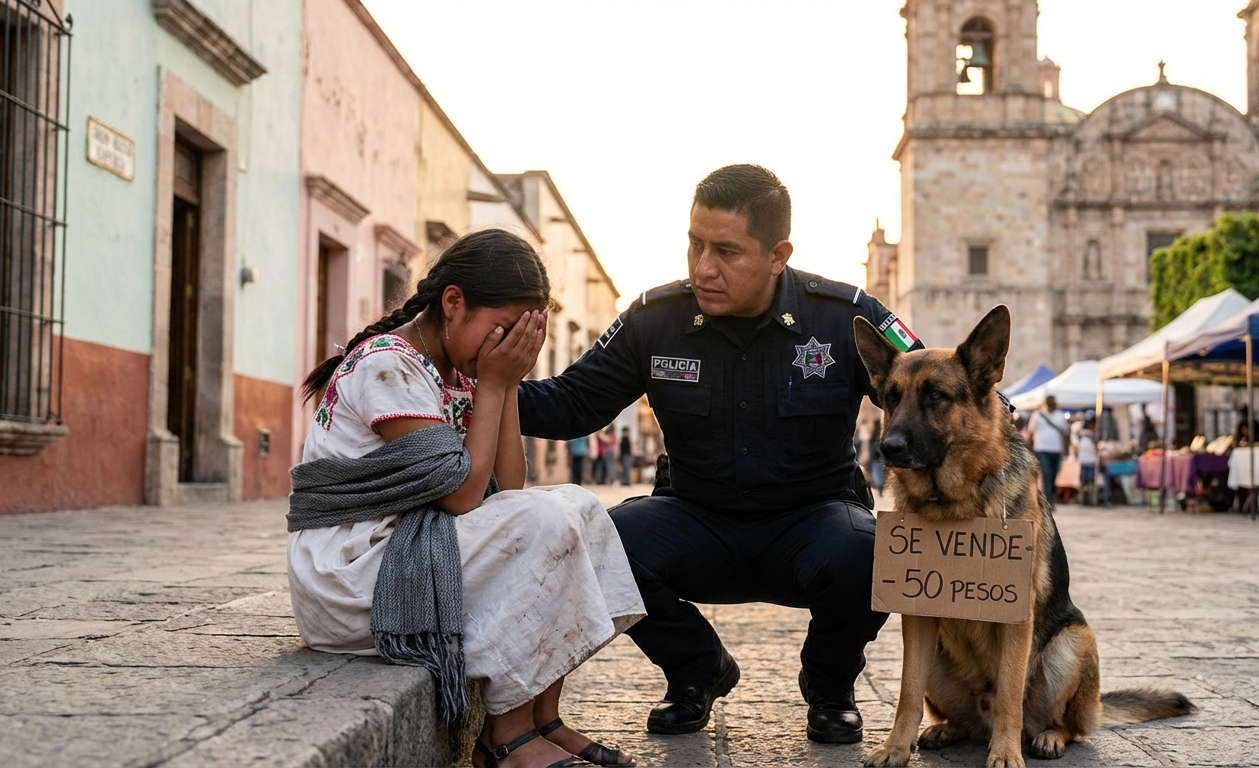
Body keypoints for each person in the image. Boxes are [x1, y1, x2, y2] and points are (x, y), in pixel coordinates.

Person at [518, 164, 923, 745]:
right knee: (606, 541)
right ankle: (695, 670)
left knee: (874, 551)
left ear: (777, 254)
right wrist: (473, 385)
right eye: (695, 244)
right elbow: (572, 404)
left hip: (812, 526)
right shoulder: (656, 320)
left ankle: (830, 684)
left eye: (727, 251)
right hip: (695, 519)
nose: (703, 267)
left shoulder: (842, 317)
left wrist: (995, 409)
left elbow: (928, 382)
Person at [287, 230, 644, 768]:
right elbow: (460, 498)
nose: (506, 347)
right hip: (350, 576)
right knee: (541, 521)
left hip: (408, 553)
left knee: (578, 508)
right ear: (453, 303)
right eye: (502, 330)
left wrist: (504, 382)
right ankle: (507, 738)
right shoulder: (387, 365)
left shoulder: (465, 370)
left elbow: (508, 485)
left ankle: (544, 719)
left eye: (522, 336)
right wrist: (498, 386)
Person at [1025, 395, 1069, 507]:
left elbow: (1066, 432)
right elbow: (1030, 432)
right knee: (1047, 474)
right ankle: (1049, 501)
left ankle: (1049, 497)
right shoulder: (1038, 415)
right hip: (1042, 448)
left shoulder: (1060, 416)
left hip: (1056, 449)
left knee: (1054, 475)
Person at [868, 418, 886, 493]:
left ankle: (880, 485)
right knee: (879, 465)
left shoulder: (869, 420)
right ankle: (881, 485)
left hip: (875, 443)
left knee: (876, 465)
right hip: (879, 441)